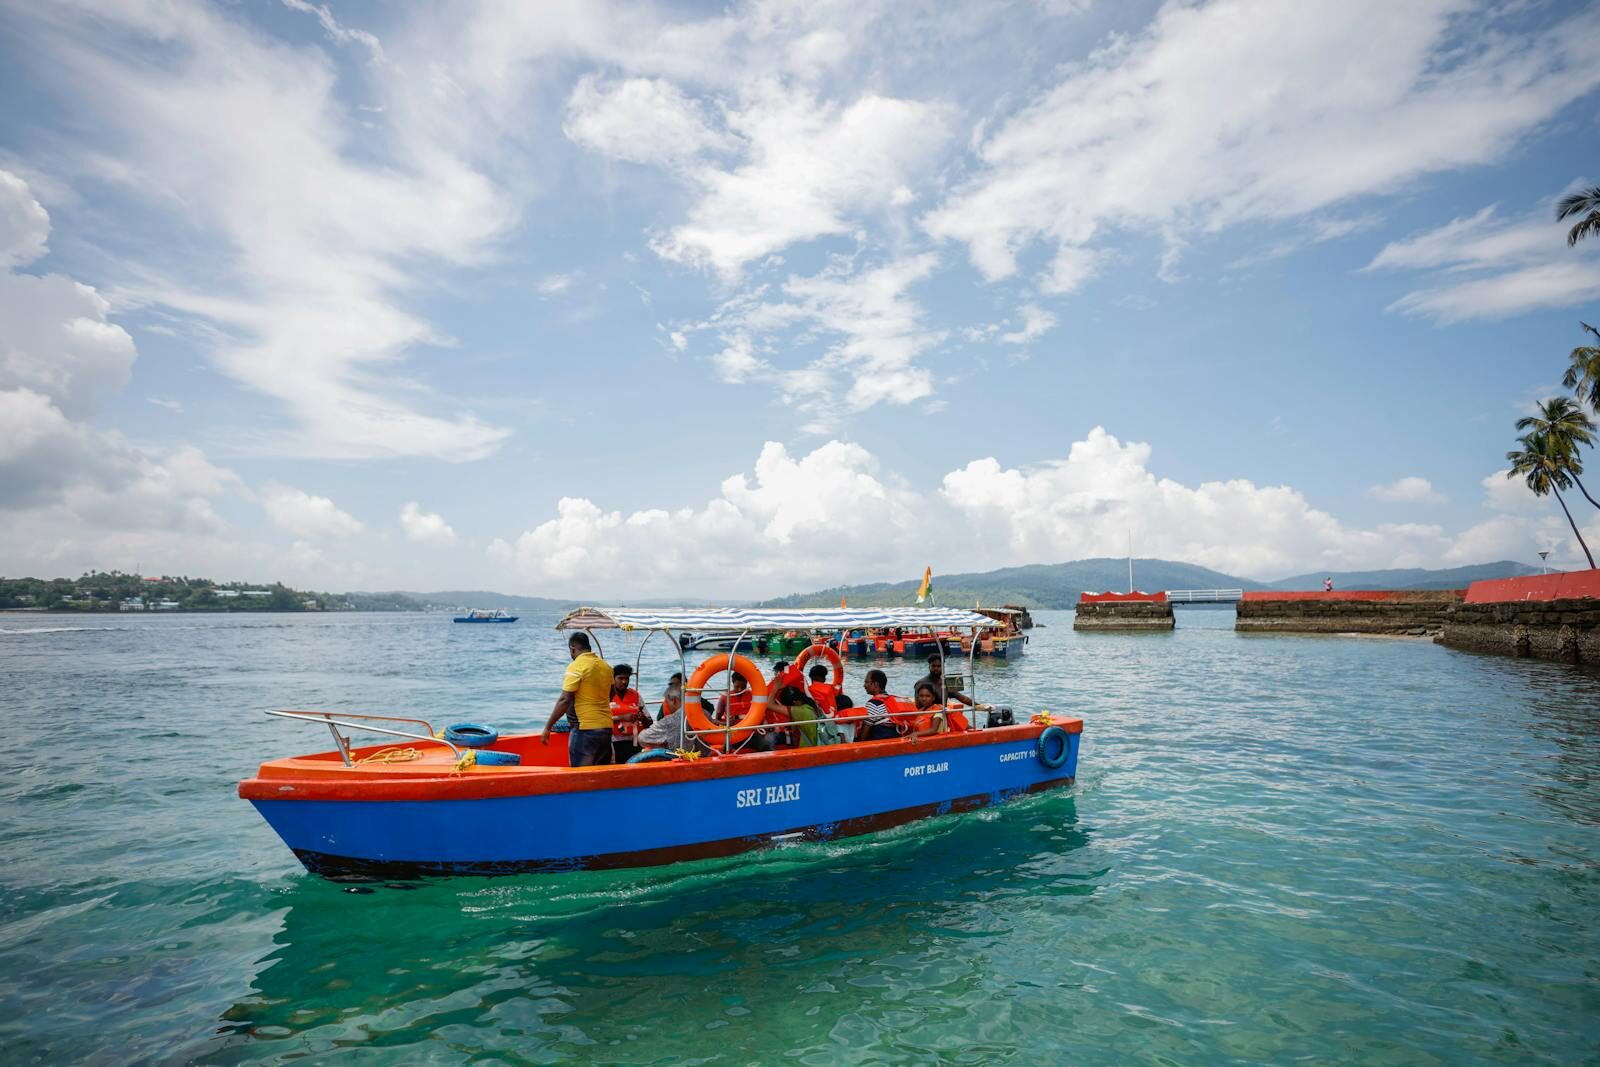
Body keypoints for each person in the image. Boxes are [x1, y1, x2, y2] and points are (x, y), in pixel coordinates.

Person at [541, 632, 615, 766]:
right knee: (600, 773)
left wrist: (548, 727)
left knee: (580, 774)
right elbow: (611, 694)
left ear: (572, 648)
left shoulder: (576, 666)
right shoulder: (606, 667)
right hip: (606, 728)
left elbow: (565, 700)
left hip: (585, 729)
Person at [636, 673, 685, 753]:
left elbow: (643, 738)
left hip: (677, 755)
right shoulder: (704, 713)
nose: (666, 703)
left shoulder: (671, 720)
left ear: (674, 701)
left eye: (667, 701)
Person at [609, 664, 647, 763]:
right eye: (620, 678)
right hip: (613, 742)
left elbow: (649, 721)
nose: (624, 682)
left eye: (627, 679)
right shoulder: (606, 696)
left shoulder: (636, 696)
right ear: (613, 679)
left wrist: (642, 717)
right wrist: (623, 717)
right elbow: (600, 720)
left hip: (634, 741)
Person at [859, 669, 903, 741]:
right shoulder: (892, 700)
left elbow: (865, 732)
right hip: (896, 738)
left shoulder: (872, 704)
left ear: (876, 684)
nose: (864, 685)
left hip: (882, 741)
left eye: (867, 682)